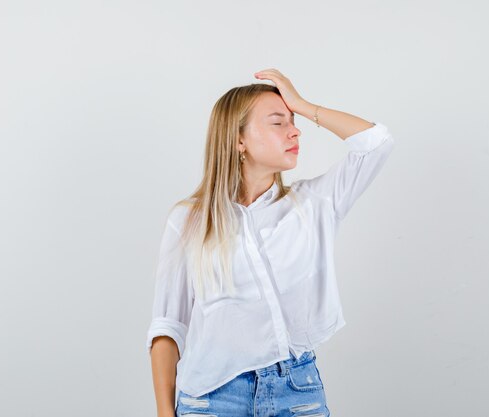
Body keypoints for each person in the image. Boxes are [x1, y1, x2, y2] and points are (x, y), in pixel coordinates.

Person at [147, 68, 395, 417]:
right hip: (212, 399)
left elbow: (376, 142)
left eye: (294, 122)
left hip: (297, 393)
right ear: (238, 140)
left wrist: (303, 105)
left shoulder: (314, 204)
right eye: (278, 122)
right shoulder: (189, 221)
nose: (295, 131)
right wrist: (163, 414)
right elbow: (167, 327)